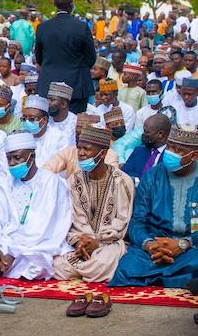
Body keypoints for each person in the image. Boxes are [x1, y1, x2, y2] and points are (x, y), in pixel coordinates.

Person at [0, 131, 71, 282]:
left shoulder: (50, 182)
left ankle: (3, 267)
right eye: (9, 158)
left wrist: (13, 254)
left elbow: (41, 226)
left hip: (37, 243)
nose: (12, 163)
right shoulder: (4, 182)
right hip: (6, 242)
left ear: (32, 156)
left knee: (36, 264)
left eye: (17, 157)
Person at [109, 127, 198, 288]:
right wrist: (150, 245)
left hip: (191, 247)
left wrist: (182, 244)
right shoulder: (152, 176)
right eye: (170, 147)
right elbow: (137, 221)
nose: (170, 153)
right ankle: (177, 279)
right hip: (153, 246)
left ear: (194, 156)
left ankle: (162, 277)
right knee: (126, 267)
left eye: (178, 150)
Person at [53, 127, 134, 282]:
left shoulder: (122, 181)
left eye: (87, 149)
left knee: (101, 263)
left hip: (110, 242)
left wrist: (97, 241)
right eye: (79, 148)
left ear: (102, 153)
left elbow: (122, 221)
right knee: (58, 266)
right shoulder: (74, 179)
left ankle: (86, 270)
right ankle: (85, 268)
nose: (81, 153)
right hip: (82, 242)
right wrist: (80, 241)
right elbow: (73, 218)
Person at [35, 0, 96, 114]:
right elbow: (91, 58)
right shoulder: (81, 27)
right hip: (76, 85)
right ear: (71, 5)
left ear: (54, 5)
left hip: (49, 86)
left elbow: (39, 58)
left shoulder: (43, 27)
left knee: (50, 125)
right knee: (75, 126)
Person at [44, 113, 119, 178]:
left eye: (83, 134)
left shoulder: (110, 156)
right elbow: (46, 170)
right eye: (77, 133)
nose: (80, 137)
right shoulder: (70, 151)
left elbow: (112, 181)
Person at [21, 95, 69, 166]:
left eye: (32, 119)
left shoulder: (59, 138)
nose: (27, 122)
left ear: (44, 120)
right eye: (24, 119)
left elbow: (59, 167)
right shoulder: (20, 138)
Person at [122, 114, 171, 180]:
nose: (143, 134)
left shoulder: (171, 157)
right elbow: (124, 174)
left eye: (146, 132)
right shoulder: (139, 151)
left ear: (160, 134)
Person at [46, 82, 77, 146]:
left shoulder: (75, 123)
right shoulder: (44, 120)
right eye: (47, 99)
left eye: (52, 100)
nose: (47, 102)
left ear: (64, 104)